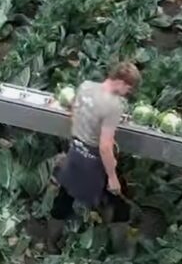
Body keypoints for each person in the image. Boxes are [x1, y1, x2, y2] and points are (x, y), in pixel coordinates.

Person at [46, 62, 141, 256]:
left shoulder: (86, 86)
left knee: (65, 197)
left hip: (76, 151)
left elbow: (74, 112)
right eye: (128, 89)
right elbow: (105, 147)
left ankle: (50, 242)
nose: (126, 93)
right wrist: (112, 177)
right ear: (121, 82)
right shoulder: (114, 105)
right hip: (93, 160)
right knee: (118, 203)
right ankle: (119, 251)